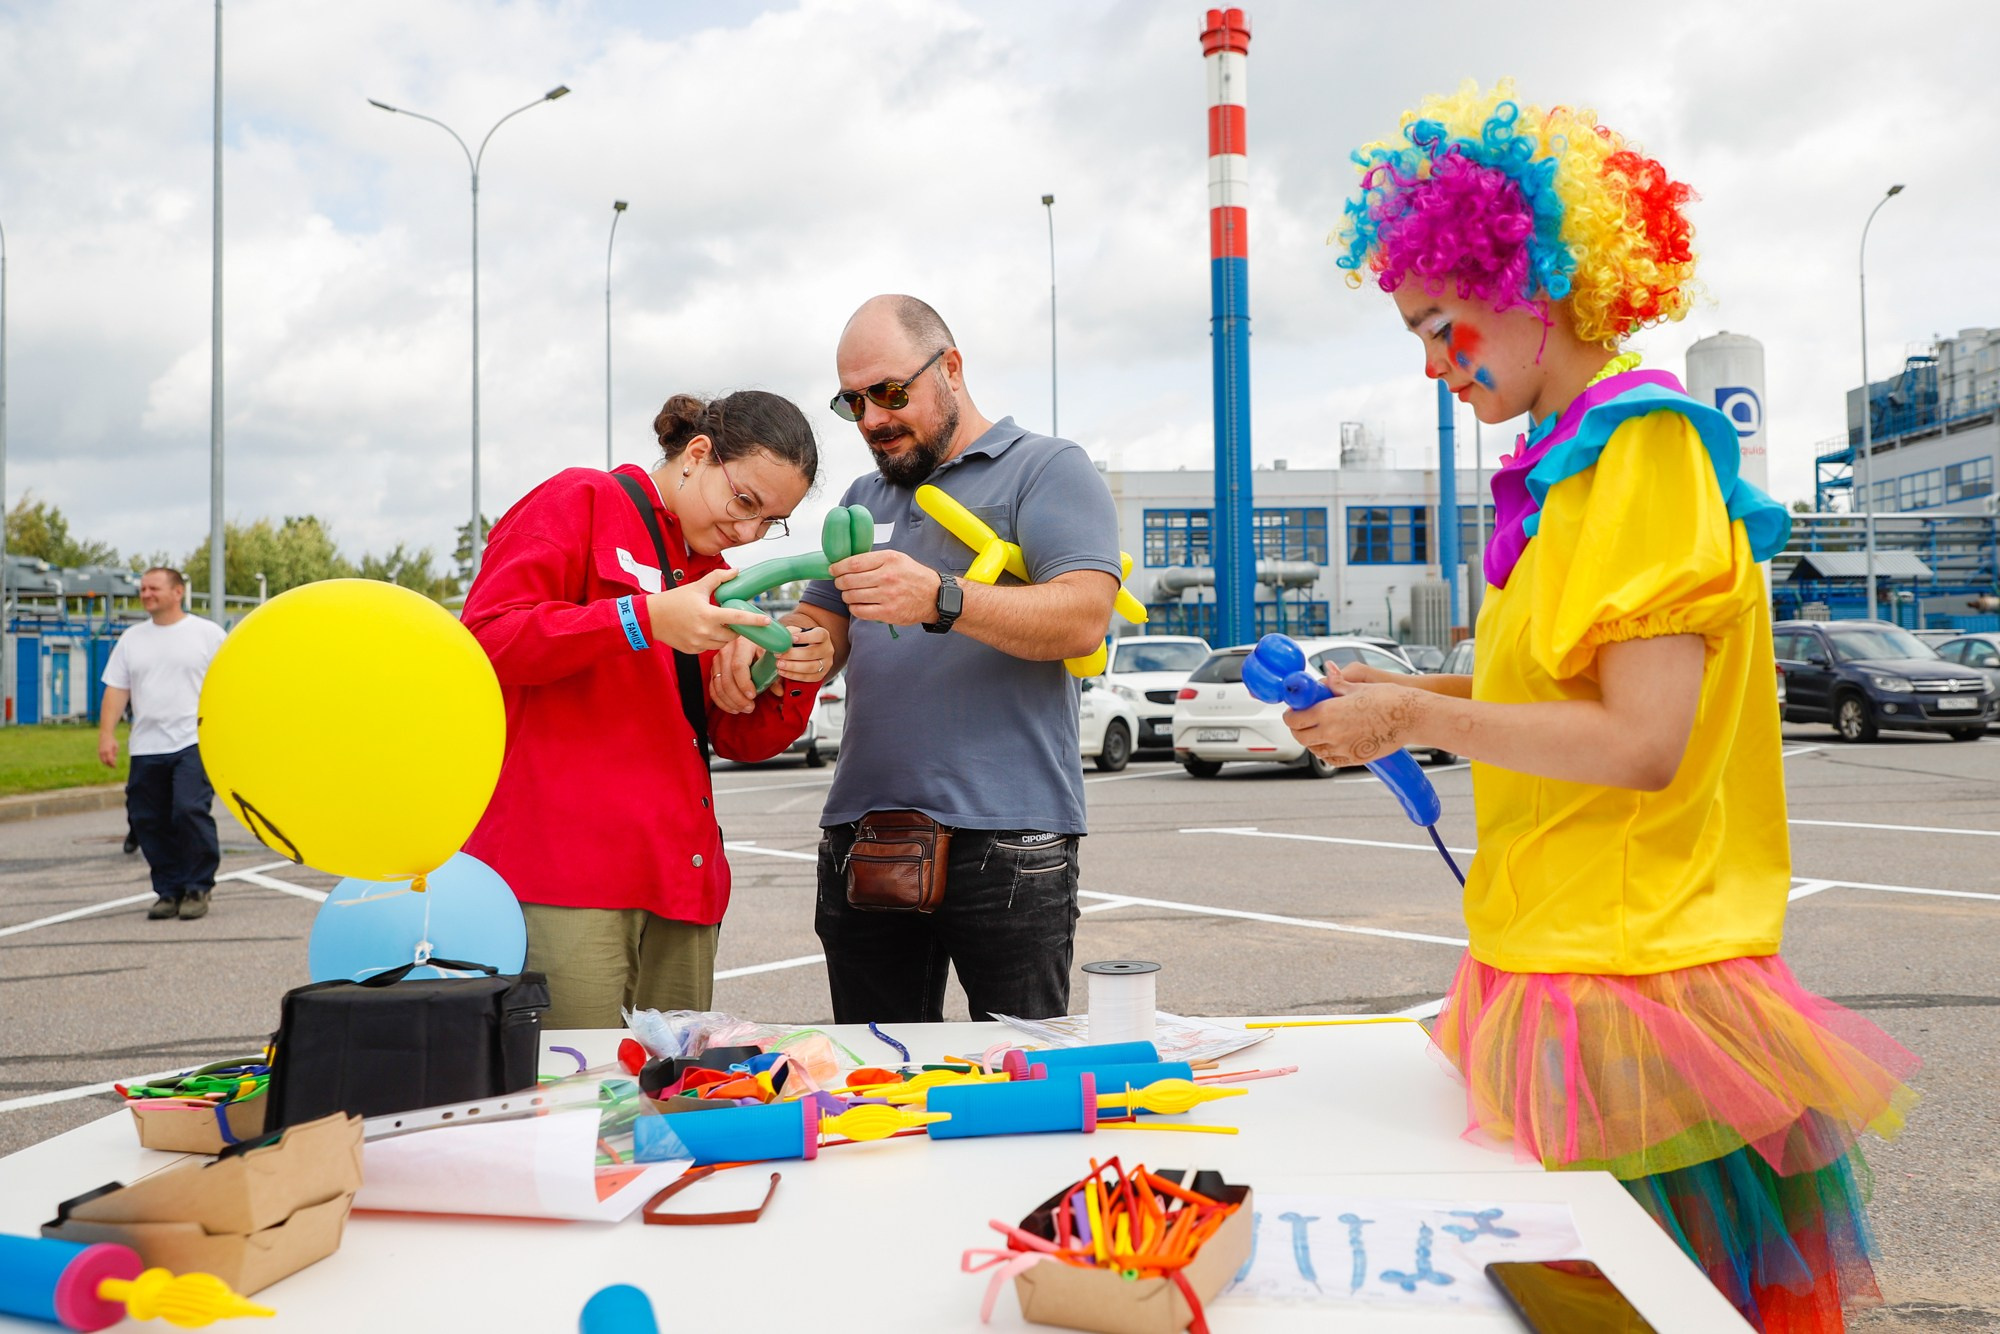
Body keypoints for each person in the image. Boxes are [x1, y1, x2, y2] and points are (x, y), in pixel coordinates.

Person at [1299, 83, 1919, 1332]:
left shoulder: (1642, 449)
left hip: (1635, 984)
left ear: (1529, 290)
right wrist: (1412, 690)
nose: (1428, 362)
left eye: (1439, 323)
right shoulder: (1572, 469)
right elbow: (1555, 694)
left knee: (1640, 1310)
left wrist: (1416, 722)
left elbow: (1640, 744)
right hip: (1554, 967)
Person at [719, 295, 1120, 1025]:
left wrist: (939, 596)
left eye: (890, 392)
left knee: (1019, 1078)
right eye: (854, 402)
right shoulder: (862, 498)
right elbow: (824, 626)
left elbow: (1084, 616)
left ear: (953, 368)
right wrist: (783, 645)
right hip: (866, 835)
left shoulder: (1049, 469)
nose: (873, 418)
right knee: (878, 1078)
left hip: (1010, 842)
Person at [461, 389, 834, 1028]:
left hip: (682, 886)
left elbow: (738, 738)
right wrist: (640, 620)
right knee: (575, 1100)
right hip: (566, 879)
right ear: (697, 455)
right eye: (744, 501)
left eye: (770, 522)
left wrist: (795, 671)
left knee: (672, 1099)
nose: (747, 532)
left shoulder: (717, 576)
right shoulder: (582, 500)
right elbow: (485, 642)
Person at [97, 567, 227, 921]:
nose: (146, 594)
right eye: (142, 588)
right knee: (148, 819)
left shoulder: (206, 634)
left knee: (188, 810)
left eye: (154, 587)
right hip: (147, 745)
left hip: (192, 741)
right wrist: (106, 735)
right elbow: (116, 689)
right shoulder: (132, 639)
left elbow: (229, 683)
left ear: (177, 592)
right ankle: (169, 890)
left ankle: (198, 886)